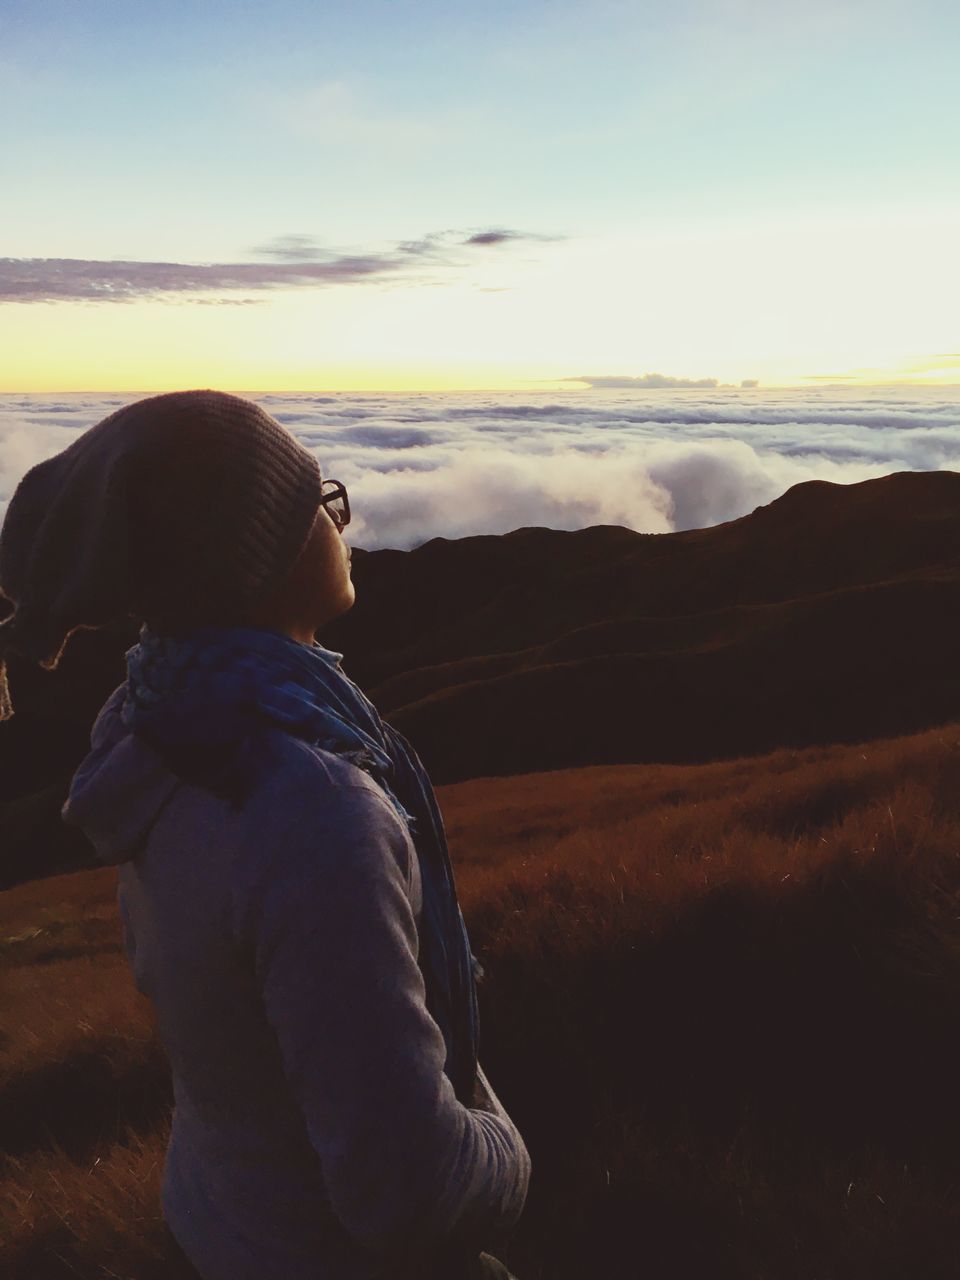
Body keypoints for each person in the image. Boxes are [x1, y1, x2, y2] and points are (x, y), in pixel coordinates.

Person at [0, 390, 531, 1280]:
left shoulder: (160, 740)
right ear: (258, 556)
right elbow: (412, 1195)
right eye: (319, 500)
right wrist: (510, 1141)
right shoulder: (313, 816)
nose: (340, 518)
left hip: (219, 1229)